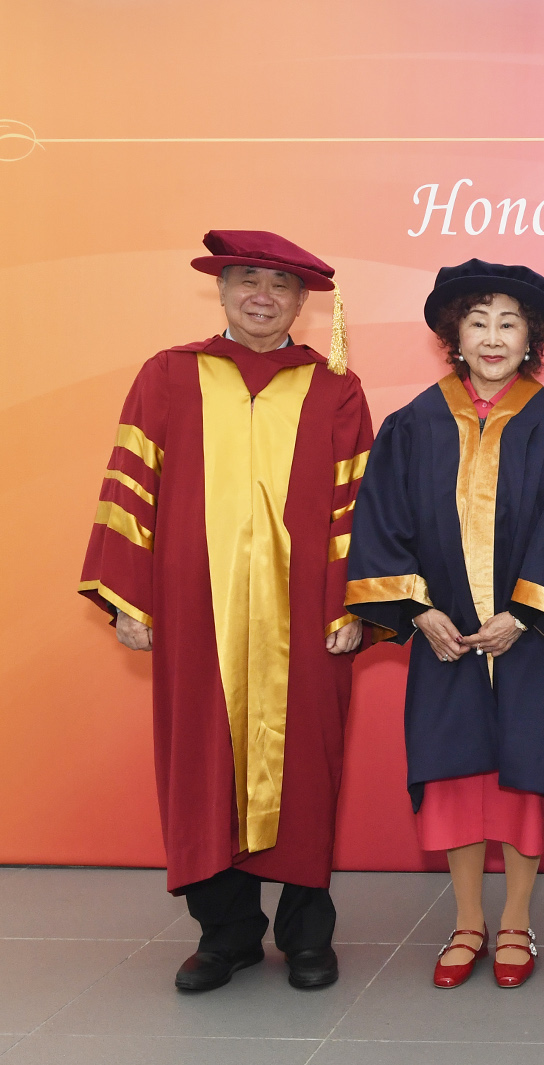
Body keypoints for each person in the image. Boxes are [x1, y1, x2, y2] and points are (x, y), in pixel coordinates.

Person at [79, 231, 372, 991]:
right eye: (246, 279)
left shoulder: (333, 386)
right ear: (221, 289)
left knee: (307, 764)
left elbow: (356, 502)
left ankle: (309, 935)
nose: (262, 296)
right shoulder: (169, 375)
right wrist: (128, 599)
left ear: (303, 302)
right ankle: (226, 934)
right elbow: (130, 483)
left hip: (306, 617)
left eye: (279, 284)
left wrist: (353, 602)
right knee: (201, 765)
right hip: (191, 614)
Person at [344, 260, 544, 989]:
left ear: (533, 340)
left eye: (509, 323)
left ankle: (515, 918)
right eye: (478, 321)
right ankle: (466, 920)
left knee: (523, 773)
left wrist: (523, 614)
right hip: (444, 641)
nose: (492, 337)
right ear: (453, 332)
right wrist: (418, 611)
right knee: (451, 775)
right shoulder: (412, 424)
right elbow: (381, 523)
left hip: (526, 640)